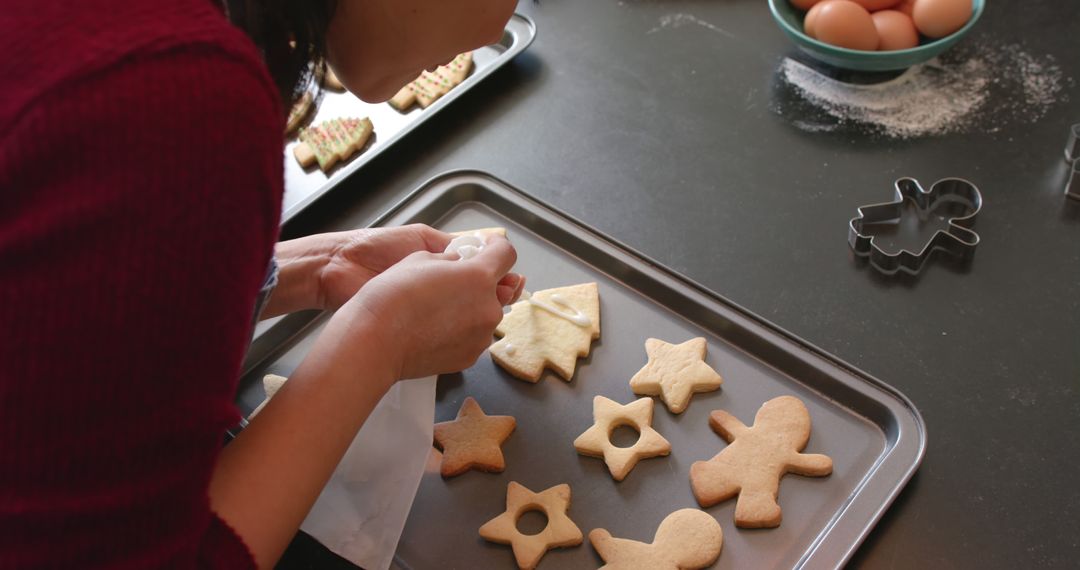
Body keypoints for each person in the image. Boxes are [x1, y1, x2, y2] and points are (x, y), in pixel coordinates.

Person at [0, 0, 521, 567]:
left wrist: (315, 269)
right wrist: (383, 336)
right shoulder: (184, 99)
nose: (500, 25)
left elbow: (60, 300)